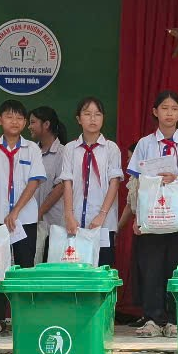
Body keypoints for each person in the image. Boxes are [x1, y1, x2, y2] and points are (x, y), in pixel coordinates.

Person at [127, 91, 178, 338]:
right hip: (152, 217)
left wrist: (177, 177)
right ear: (155, 111)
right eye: (164, 108)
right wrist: (137, 216)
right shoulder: (145, 144)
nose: (169, 113)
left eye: (174, 109)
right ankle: (152, 318)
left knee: (175, 268)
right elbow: (136, 181)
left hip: (177, 217)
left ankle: (173, 319)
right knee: (151, 269)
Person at [0, 100, 47, 336]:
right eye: (9, 117)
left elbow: (34, 182)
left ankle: (23, 317)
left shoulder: (32, 149)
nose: (15, 121)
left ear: (25, 122)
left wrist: (16, 211)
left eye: (19, 118)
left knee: (24, 268)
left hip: (24, 219)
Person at [60, 96, 124, 267]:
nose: (93, 119)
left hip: (103, 222)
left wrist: (102, 215)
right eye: (87, 114)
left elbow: (114, 183)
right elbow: (67, 182)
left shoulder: (111, 148)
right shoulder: (70, 148)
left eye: (97, 114)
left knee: (103, 269)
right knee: (75, 270)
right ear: (78, 119)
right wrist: (69, 215)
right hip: (75, 222)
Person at [29, 105, 67, 264]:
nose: (29, 126)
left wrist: (39, 212)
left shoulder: (63, 152)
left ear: (46, 124)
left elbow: (61, 187)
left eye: (33, 122)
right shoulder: (31, 151)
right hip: (31, 223)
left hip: (54, 223)